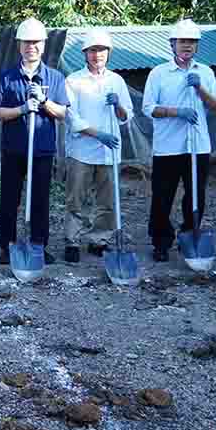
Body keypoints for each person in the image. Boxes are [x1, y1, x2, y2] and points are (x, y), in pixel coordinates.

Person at [142, 19, 216, 262]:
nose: (187, 46)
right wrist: (176, 112)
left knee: (195, 195)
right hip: (167, 147)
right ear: (172, 44)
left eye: (192, 42)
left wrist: (200, 89)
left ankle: (190, 234)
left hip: (197, 147)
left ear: (197, 46)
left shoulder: (205, 72)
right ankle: (161, 242)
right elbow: (148, 108)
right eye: (182, 41)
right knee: (162, 197)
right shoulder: (159, 73)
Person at [0, 17, 69, 265]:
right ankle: (7, 245)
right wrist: (24, 108)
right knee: (10, 198)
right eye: (26, 42)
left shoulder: (54, 78)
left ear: (43, 46)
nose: (31, 47)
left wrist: (44, 103)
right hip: (14, 147)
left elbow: (63, 113)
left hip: (42, 149)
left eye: (35, 43)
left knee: (39, 199)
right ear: (19, 45)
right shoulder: (7, 76)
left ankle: (38, 244)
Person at [62, 29, 134, 263]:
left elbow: (127, 115)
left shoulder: (117, 81)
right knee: (76, 199)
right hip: (81, 150)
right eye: (92, 50)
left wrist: (118, 106)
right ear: (85, 53)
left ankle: (99, 239)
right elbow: (70, 116)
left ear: (108, 53)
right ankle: (72, 240)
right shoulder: (74, 80)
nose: (97, 55)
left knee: (107, 200)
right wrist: (97, 134)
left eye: (101, 50)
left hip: (109, 152)